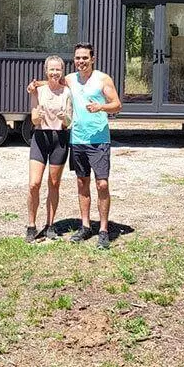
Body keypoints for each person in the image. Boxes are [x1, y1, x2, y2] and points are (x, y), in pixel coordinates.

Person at [28, 42, 122, 249]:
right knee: (82, 184)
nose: (81, 61)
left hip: (99, 139)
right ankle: (85, 226)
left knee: (102, 184)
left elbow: (117, 104)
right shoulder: (70, 79)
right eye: (78, 58)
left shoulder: (102, 79)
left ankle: (104, 230)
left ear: (92, 59)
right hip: (77, 139)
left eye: (85, 58)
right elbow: (53, 82)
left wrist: (101, 107)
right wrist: (34, 87)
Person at [26, 55, 73, 243]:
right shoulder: (38, 90)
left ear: (62, 72)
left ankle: (50, 224)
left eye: (58, 70)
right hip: (40, 137)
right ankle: (31, 225)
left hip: (59, 139)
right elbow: (33, 120)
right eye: (51, 69)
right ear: (46, 71)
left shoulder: (67, 92)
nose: (54, 73)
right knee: (34, 184)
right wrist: (38, 116)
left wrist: (64, 118)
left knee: (54, 184)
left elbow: (69, 121)